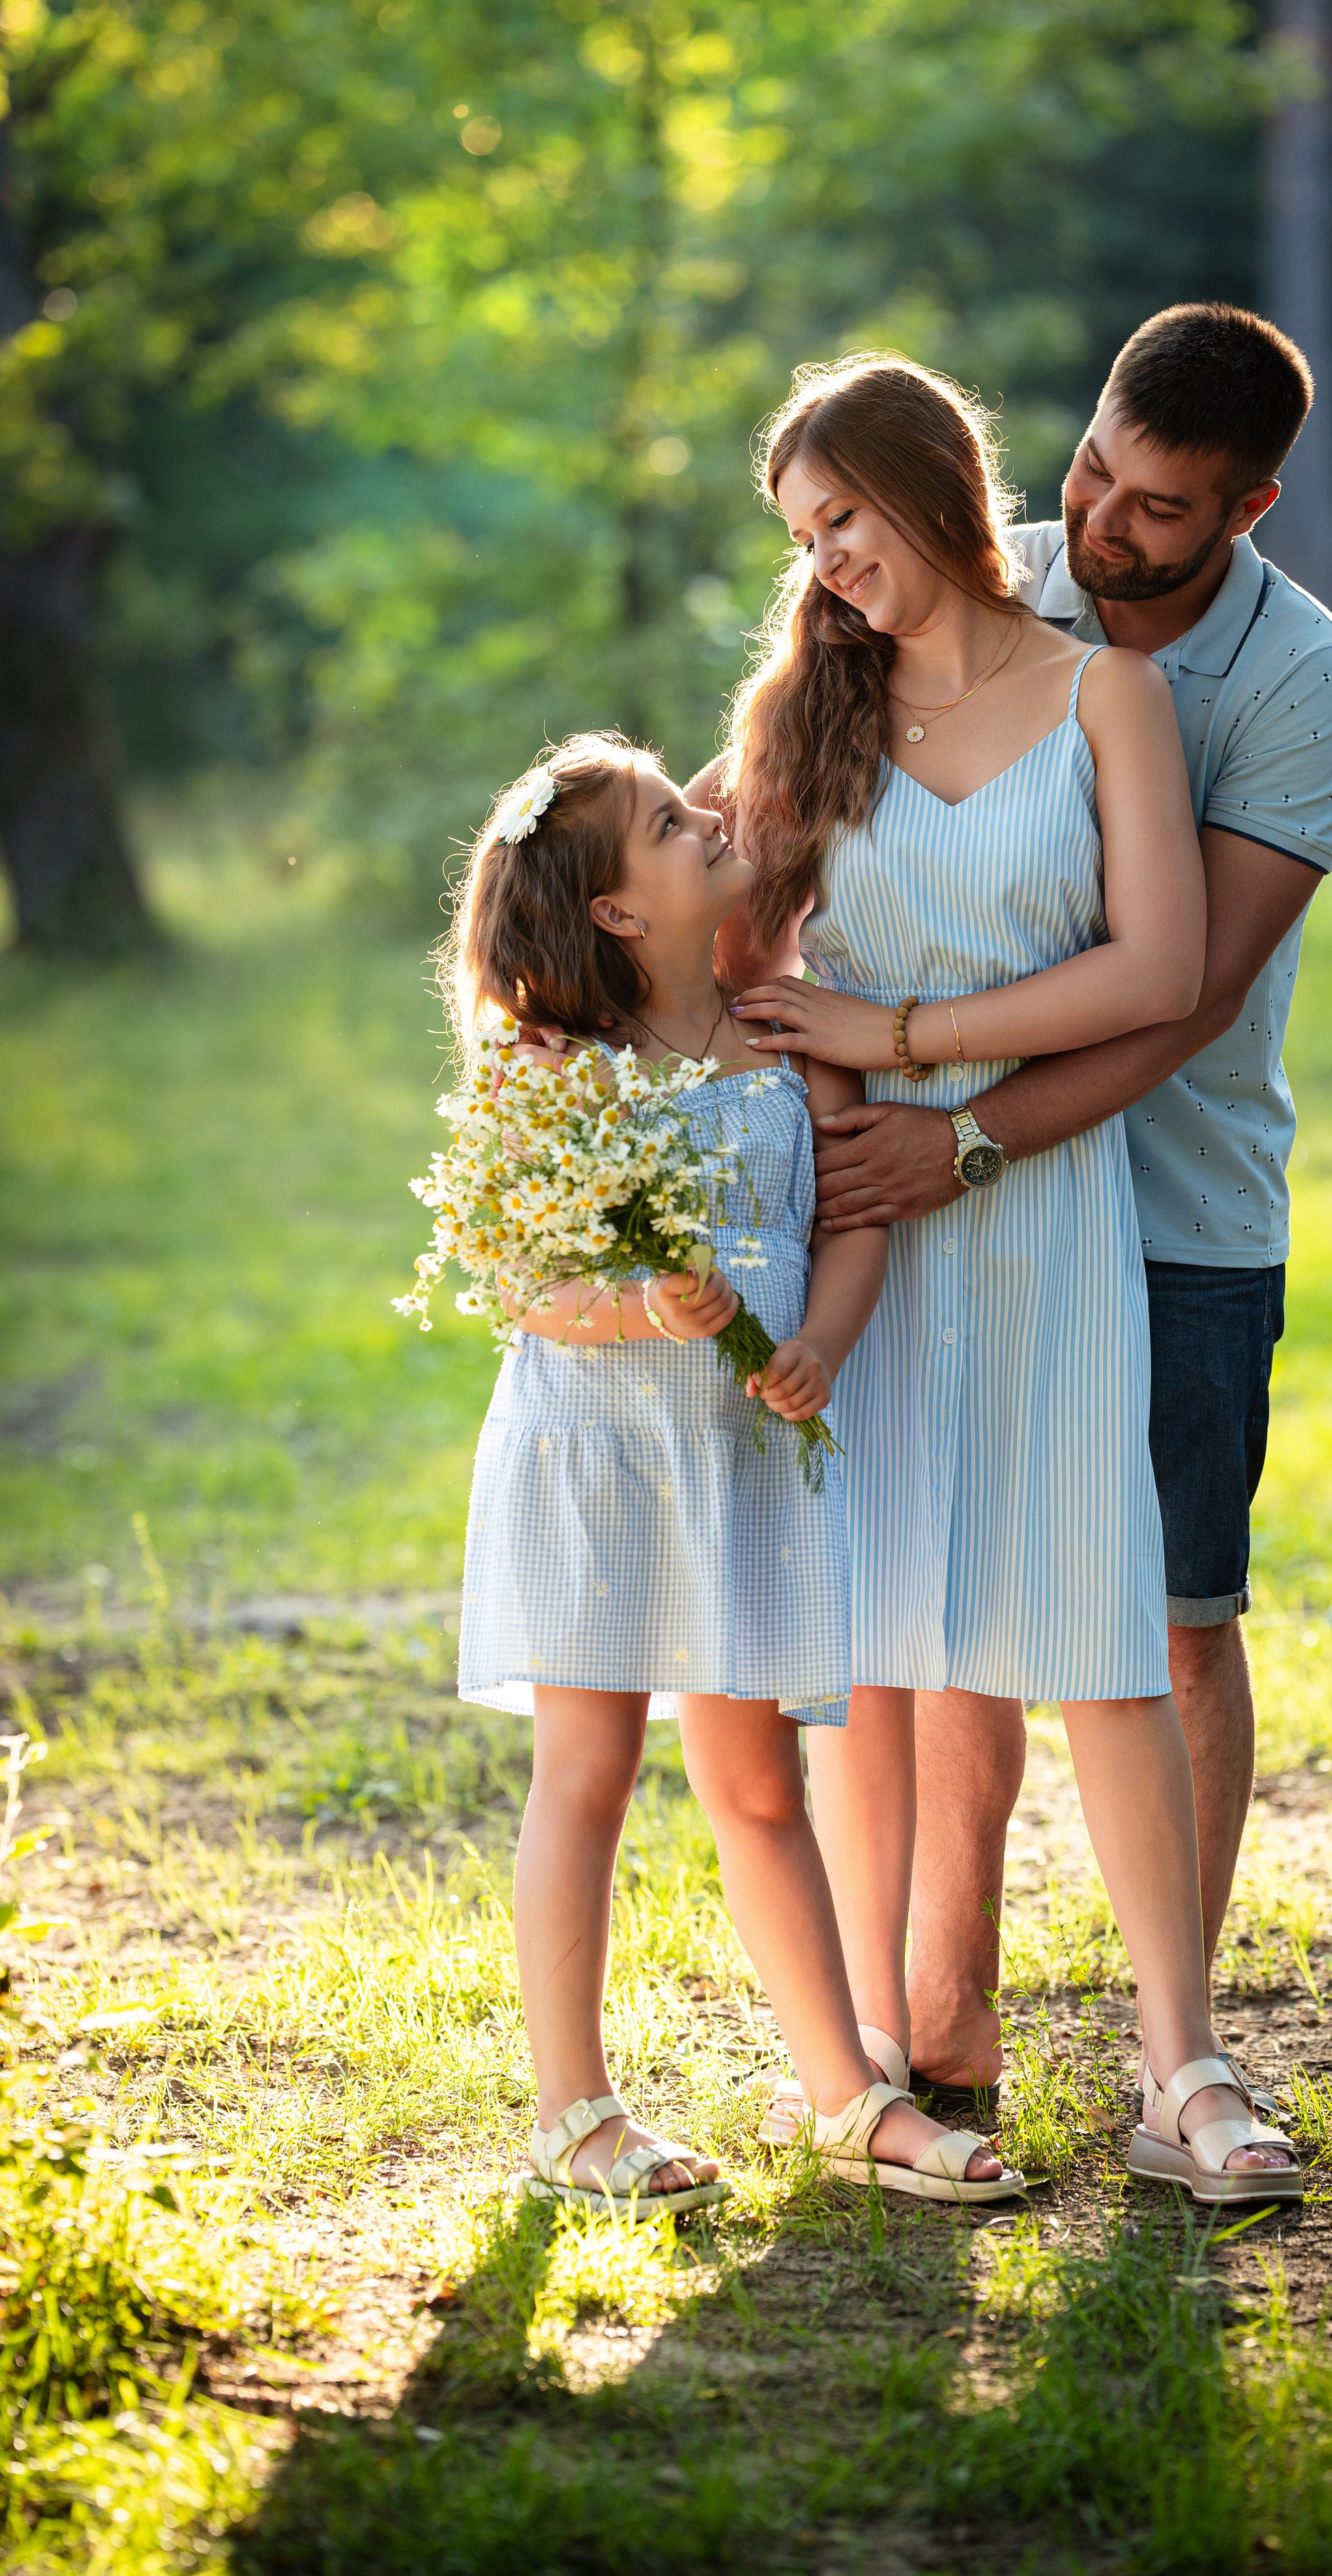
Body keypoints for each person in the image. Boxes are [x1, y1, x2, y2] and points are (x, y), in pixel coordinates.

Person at [718, 353, 1300, 2200]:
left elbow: (1156, 973)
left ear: (928, 485)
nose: (828, 566)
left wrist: (908, 1037)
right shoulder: (806, 716)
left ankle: (1184, 2074)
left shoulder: (1111, 699)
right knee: (878, 1650)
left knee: (1109, 1645)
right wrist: (823, 1108)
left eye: (844, 522)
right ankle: (881, 2060)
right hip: (865, 1238)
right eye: (804, 540)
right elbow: (729, 962)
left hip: (1047, 1214)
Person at [808, 304, 1332, 2104]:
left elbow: (1187, 990)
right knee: (955, 1615)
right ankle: (942, 2019)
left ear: (1253, 508)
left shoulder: (1302, 685)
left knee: (1173, 1621)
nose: (1105, 531)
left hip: (1179, 1195)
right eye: (1093, 475)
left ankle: (1167, 2053)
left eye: (1161, 511)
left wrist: (960, 1129)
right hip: (945, 1198)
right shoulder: (999, 590)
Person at [447, 729, 1028, 2213]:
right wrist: (643, 1306)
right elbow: (519, 1282)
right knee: (585, 1770)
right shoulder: (550, 1069)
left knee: (758, 1783)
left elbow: (850, 1223)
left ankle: (845, 2093)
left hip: (735, 1460)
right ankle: (574, 2111)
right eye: (663, 819)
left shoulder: (782, 1033)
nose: (705, 810)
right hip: (597, 1457)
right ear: (619, 913)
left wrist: (820, 1346)